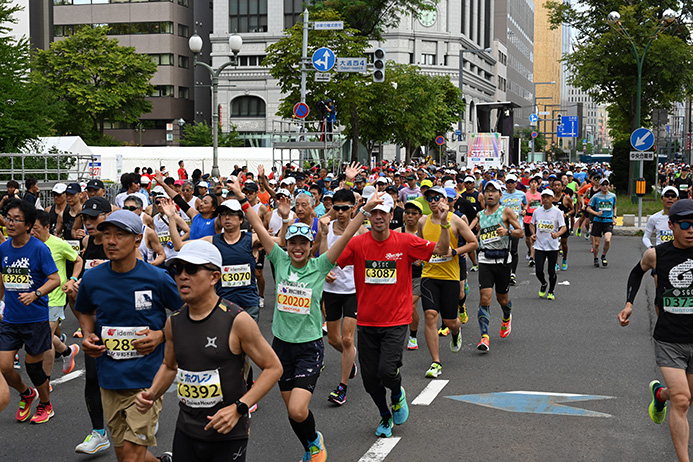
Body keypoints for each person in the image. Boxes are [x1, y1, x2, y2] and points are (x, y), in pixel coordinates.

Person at [228, 162, 372, 462]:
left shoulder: (320, 266)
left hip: (308, 347)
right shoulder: (279, 259)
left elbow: (345, 238)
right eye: (292, 242)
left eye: (302, 244)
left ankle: (315, 445)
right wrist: (242, 197)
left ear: (310, 246)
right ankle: (311, 443)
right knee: (291, 412)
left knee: (297, 408)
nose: (296, 248)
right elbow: (256, 224)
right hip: (280, 347)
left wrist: (364, 210)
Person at [135, 240, 282, 462]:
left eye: (192, 269)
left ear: (214, 277)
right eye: (178, 269)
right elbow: (169, 365)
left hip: (227, 434)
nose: (183, 276)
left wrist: (239, 407)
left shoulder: (237, 320)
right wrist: (152, 394)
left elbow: (273, 367)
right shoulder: (173, 322)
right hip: (186, 430)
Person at [336, 188, 452, 438]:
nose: (378, 217)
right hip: (366, 322)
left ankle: (397, 394)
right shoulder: (357, 243)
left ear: (391, 216)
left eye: (384, 213)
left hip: (396, 320)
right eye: (374, 212)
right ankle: (384, 414)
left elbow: (443, 251)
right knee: (369, 380)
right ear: (368, 216)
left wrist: (444, 225)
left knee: (387, 371)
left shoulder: (405, 242)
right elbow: (334, 258)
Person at [75, 210, 183, 462]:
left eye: (120, 235)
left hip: (147, 378)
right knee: (126, 455)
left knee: (132, 458)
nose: (111, 241)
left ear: (137, 240)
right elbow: (84, 310)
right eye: (107, 234)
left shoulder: (157, 277)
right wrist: (88, 334)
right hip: (110, 378)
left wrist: (160, 335)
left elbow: (185, 312)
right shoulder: (93, 278)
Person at [618, 199, 693, 462]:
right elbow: (636, 274)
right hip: (669, 339)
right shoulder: (657, 254)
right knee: (682, 401)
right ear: (671, 225)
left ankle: (660, 394)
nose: (691, 229)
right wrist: (629, 305)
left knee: (686, 396)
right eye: (685, 224)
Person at [0, 199, 60, 424]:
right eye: (8, 218)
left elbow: (55, 279)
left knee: (33, 367)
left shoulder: (39, 249)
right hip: (11, 319)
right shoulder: (3, 248)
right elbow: (1, 280)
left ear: (28, 225)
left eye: (16, 219)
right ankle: (26, 394)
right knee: (4, 365)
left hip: (35, 318)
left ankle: (46, 404)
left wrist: (36, 294)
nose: (10, 223)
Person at [418, 186, 478, 378]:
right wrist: (419, 256)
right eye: (429, 199)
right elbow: (421, 244)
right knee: (430, 315)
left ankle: (455, 332)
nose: (433, 201)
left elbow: (473, 243)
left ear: (445, 200)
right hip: (429, 275)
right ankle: (436, 362)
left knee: (451, 321)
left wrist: (455, 252)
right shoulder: (423, 221)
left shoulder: (455, 220)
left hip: (450, 277)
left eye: (437, 198)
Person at [318, 188, 368, 406]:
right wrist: (325, 271)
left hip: (353, 291)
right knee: (333, 339)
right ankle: (351, 359)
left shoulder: (361, 231)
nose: (339, 212)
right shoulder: (325, 229)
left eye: (344, 208)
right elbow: (319, 257)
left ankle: (342, 387)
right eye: (335, 208)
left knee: (348, 339)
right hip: (331, 291)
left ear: (353, 209)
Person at [29, 211, 82, 379]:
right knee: (43, 336)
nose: (32, 232)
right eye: (30, 228)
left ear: (46, 227)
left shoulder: (59, 244)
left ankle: (46, 380)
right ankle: (67, 351)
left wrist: (72, 279)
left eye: (36, 229)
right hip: (35, 298)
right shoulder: (29, 245)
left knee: (45, 339)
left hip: (55, 297)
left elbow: (78, 260)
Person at [475, 181, 524, 352]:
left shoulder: (506, 211)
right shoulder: (480, 214)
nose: (489, 194)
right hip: (485, 260)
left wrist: (507, 232)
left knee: (502, 299)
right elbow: (470, 232)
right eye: (487, 191)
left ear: (500, 195)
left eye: (493, 191)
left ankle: (506, 316)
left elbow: (521, 232)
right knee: (485, 298)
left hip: (503, 260)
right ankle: (484, 337)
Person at [529, 189, 566, 300]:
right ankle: (544, 283)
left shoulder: (557, 212)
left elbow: (563, 227)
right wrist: (533, 234)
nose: (545, 199)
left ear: (552, 199)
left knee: (551, 271)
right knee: (538, 270)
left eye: (548, 197)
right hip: (539, 245)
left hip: (552, 246)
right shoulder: (537, 211)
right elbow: (531, 224)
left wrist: (557, 234)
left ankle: (551, 290)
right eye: (543, 197)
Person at [400, 201, 424, 350]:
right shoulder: (397, 232)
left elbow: (435, 251)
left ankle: (413, 336)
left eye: (414, 213)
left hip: (419, 277)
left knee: (409, 305)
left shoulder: (425, 233)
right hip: (400, 276)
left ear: (420, 216)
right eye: (407, 213)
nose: (410, 216)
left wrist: (422, 258)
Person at [499, 174, 527, 285]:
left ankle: (513, 273)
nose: (510, 184)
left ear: (516, 183)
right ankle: (505, 271)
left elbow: (525, 203)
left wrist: (524, 210)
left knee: (514, 250)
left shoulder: (521, 194)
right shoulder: (501, 195)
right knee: (504, 250)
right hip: (504, 226)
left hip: (516, 226)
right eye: (508, 182)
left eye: (512, 182)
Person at [586, 178, 617, 268]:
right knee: (596, 244)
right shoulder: (596, 196)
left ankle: (603, 255)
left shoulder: (613, 196)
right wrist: (596, 213)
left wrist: (614, 217)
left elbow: (614, 207)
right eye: (603, 185)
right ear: (599, 186)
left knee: (607, 240)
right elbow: (588, 208)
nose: (605, 187)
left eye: (606, 185)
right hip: (598, 221)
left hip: (608, 220)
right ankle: (596, 258)